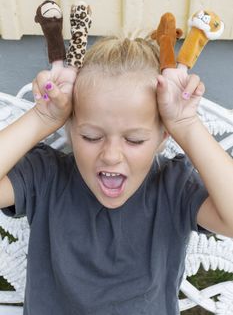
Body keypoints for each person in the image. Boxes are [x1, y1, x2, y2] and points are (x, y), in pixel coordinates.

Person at [0, 35, 233, 315]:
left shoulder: (174, 187)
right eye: (91, 136)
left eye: (134, 140)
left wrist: (187, 125)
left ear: (163, 136)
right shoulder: (45, 176)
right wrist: (42, 118)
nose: (111, 155)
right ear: (70, 129)